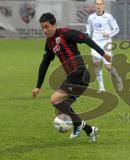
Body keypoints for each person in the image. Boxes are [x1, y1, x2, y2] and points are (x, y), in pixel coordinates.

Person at [31, 12, 112, 141]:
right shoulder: (49, 43)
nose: (44, 30)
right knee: (60, 112)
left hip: (78, 73)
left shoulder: (65, 33)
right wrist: (38, 86)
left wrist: (103, 53)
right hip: (75, 77)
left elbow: (85, 38)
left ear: (54, 25)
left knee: (54, 99)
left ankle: (78, 124)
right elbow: (44, 64)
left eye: (47, 27)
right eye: (42, 28)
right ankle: (89, 130)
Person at [86, 0, 122, 93]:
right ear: (95, 6)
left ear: (103, 6)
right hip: (95, 44)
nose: (99, 6)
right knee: (97, 65)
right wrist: (86, 36)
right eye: (97, 4)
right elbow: (88, 29)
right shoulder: (91, 17)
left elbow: (116, 28)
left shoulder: (109, 17)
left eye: (100, 4)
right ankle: (101, 88)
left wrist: (109, 34)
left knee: (108, 67)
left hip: (106, 44)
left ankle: (118, 78)